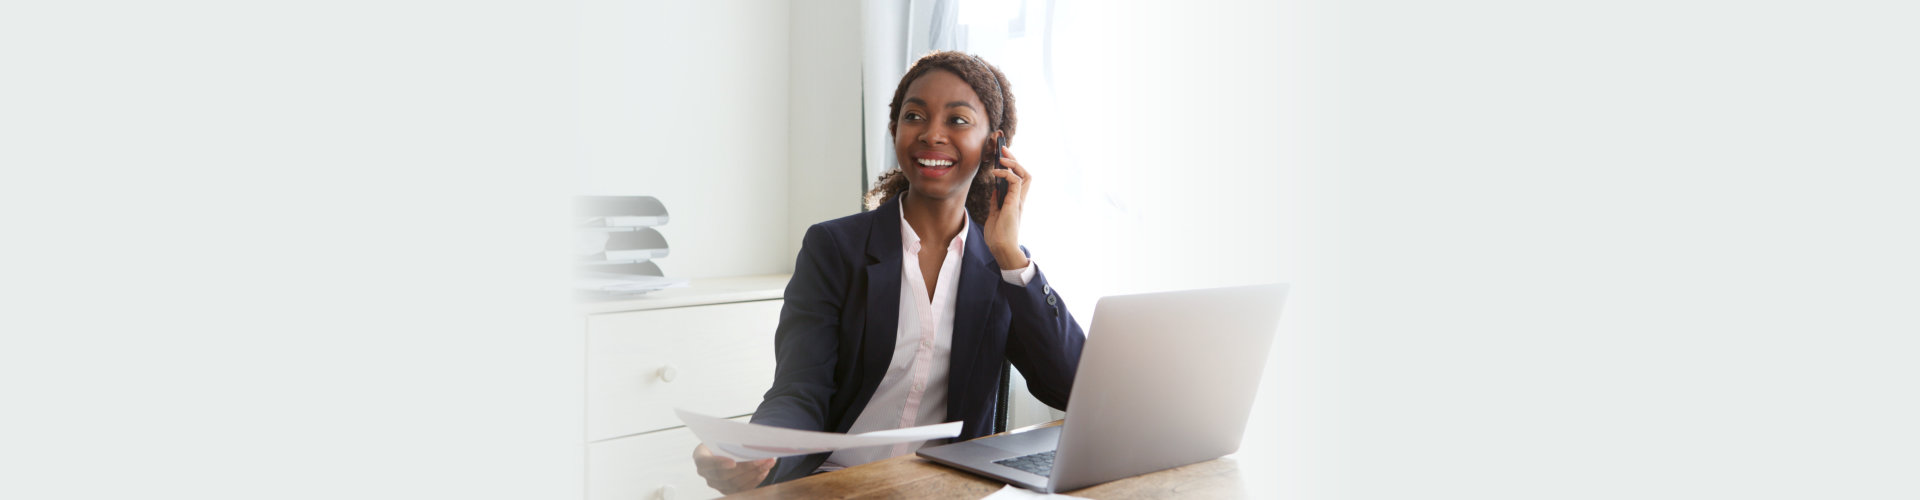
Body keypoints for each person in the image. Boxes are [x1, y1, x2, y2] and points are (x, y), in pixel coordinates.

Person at [691, 51, 1087, 494]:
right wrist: (752, 448)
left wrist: (1011, 257)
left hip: (945, 488)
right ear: (895, 129)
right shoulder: (834, 248)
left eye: (957, 120)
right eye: (914, 115)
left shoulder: (1002, 267)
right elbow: (800, 390)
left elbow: (1072, 389)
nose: (932, 134)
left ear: (995, 146)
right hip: (837, 484)